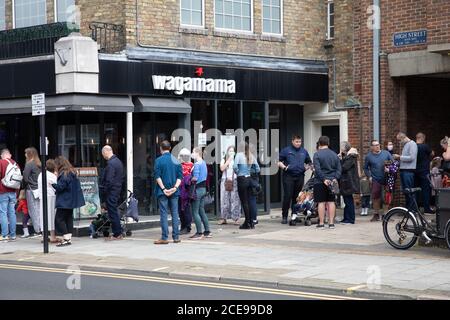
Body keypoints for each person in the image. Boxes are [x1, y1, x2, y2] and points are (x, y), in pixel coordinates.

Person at [278, 135, 312, 224]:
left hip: (300, 176)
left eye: (300, 142)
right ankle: (284, 216)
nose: (298, 143)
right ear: (292, 141)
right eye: (296, 142)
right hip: (288, 176)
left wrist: (306, 168)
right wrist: (285, 168)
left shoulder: (304, 151)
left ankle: (294, 215)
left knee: (297, 197)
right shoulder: (286, 150)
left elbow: (309, 162)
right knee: (288, 196)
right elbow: (278, 161)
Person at [153, 141, 182, 244]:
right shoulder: (176, 161)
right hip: (174, 191)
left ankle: (164, 237)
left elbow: (157, 176)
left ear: (161, 148)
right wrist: (174, 188)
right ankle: (176, 237)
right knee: (175, 213)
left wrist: (164, 189)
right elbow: (180, 177)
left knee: (164, 214)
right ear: (170, 148)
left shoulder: (158, 161)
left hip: (162, 192)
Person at [53, 156, 85, 247]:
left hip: (64, 200)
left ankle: (66, 239)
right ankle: (68, 238)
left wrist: (52, 184)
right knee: (68, 218)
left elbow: (60, 187)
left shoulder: (64, 174)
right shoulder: (72, 172)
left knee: (59, 219)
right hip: (71, 200)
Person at [313, 136, 341, 229]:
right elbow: (339, 169)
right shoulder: (334, 154)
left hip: (320, 181)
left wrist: (324, 179)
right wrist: (335, 178)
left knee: (321, 202)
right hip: (332, 180)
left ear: (319, 144)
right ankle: (331, 223)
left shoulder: (317, 154)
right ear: (328, 143)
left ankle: (321, 223)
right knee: (331, 202)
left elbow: (317, 169)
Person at [364, 140, 393, 221]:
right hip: (375, 178)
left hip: (387, 178)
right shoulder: (369, 156)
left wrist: (389, 169)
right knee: (376, 197)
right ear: (371, 147)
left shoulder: (386, 153)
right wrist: (369, 176)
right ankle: (376, 214)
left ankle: (386, 215)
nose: (377, 146)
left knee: (386, 197)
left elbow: (393, 163)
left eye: (378, 145)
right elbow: (365, 168)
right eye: (375, 145)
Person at [234, 142, 260, 230]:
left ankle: (247, 223)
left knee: (244, 202)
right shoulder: (251, 156)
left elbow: (234, 167)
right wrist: (249, 171)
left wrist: (238, 172)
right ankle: (251, 222)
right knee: (249, 201)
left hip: (242, 179)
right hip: (249, 179)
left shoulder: (238, 155)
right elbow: (257, 169)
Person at [99, 145, 124, 240]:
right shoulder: (118, 162)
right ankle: (118, 232)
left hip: (111, 192)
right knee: (114, 212)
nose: (103, 156)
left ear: (106, 152)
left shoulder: (111, 164)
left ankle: (117, 233)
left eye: (103, 154)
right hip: (117, 190)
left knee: (112, 213)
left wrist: (104, 191)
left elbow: (109, 180)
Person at [190, 147, 211, 240]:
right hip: (203, 189)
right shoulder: (204, 163)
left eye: (193, 152)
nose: (192, 154)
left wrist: (188, 179)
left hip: (197, 189)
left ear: (197, 153)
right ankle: (207, 231)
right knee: (201, 210)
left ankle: (199, 233)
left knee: (195, 212)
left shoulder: (197, 164)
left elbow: (196, 178)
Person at [393, 132, 418, 211]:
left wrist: (399, 157)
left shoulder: (412, 144)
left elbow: (412, 157)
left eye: (399, 140)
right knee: (406, 191)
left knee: (409, 191)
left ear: (403, 137)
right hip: (404, 170)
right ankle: (408, 209)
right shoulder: (406, 145)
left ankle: (412, 209)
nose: (399, 142)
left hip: (409, 171)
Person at [0, 149, 19, 242]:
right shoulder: (15, 164)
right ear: (10, 155)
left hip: (3, 191)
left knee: (3, 212)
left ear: (2, 155)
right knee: (12, 213)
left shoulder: (1, 162)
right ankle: (13, 235)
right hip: (13, 191)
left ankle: (4, 235)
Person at [219, 146, 241, 225]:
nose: (231, 152)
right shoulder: (224, 159)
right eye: (230, 151)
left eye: (232, 151)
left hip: (234, 180)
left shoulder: (237, 160)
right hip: (225, 180)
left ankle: (236, 218)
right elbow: (222, 168)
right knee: (224, 200)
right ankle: (223, 218)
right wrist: (228, 160)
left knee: (235, 200)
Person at [37, 159, 58, 243]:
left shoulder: (41, 174)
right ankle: (52, 236)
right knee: (51, 216)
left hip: (42, 197)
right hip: (51, 197)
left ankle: (44, 236)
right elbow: (56, 186)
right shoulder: (52, 176)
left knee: (43, 216)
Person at [339, 142, 360, 225]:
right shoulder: (348, 156)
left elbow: (344, 167)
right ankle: (346, 218)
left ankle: (350, 219)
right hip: (347, 181)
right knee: (347, 200)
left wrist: (340, 160)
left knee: (348, 201)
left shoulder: (350, 157)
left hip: (348, 182)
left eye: (341, 147)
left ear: (344, 148)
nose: (340, 149)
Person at [23, 147, 42, 236]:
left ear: (30, 154)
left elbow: (25, 178)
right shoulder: (39, 164)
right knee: (39, 209)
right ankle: (41, 228)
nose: (25, 155)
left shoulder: (29, 164)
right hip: (39, 189)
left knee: (33, 210)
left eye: (26, 153)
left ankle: (37, 230)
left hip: (31, 190)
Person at [415, 133, 433, 213]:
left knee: (416, 190)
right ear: (423, 138)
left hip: (415, 171)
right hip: (424, 171)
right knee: (426, 190)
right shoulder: (425, 146)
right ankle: (426, 208)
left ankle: (416, 208)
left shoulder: (413, 146)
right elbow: (432, 154)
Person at [178, 148, 193, 234]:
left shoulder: (192, 166)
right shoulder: (179, 165)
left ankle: (187, 226)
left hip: (187, 190)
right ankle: (183, 225)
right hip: (180, 189)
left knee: (186, 209)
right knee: (180, 210)